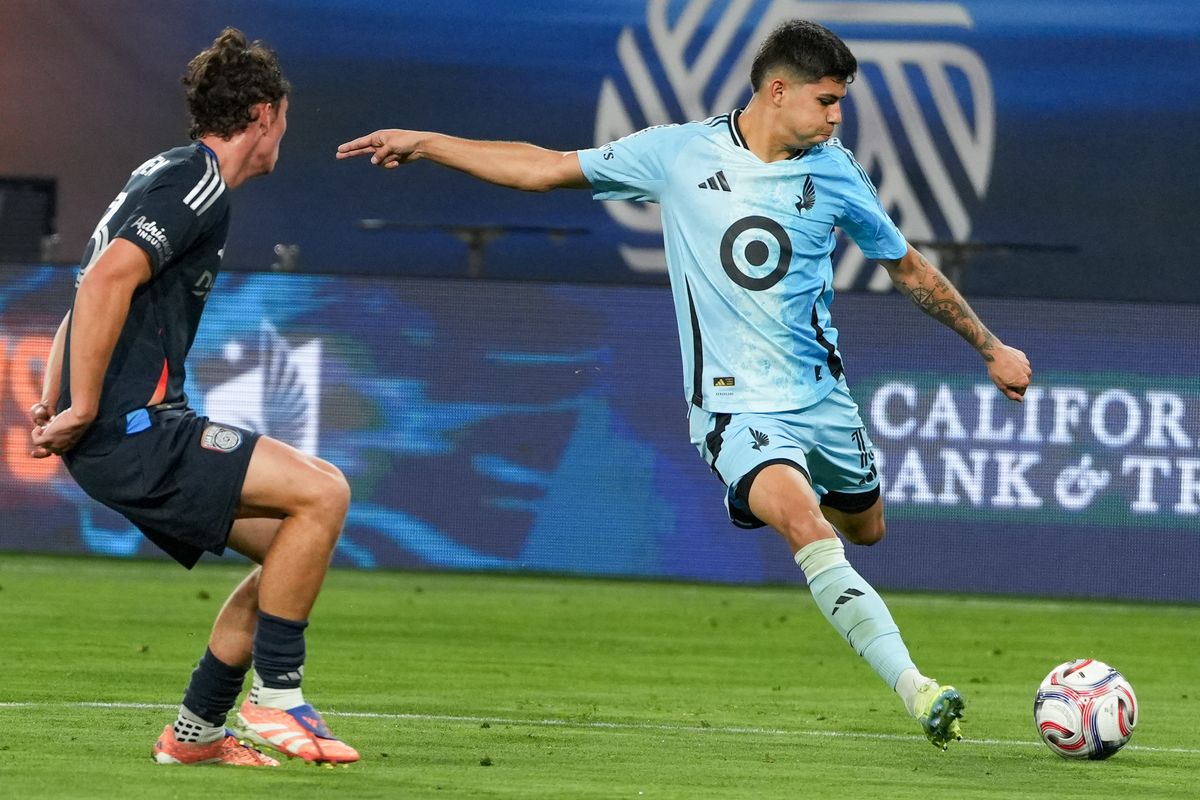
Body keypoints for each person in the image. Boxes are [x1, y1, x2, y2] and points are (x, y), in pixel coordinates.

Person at [337, 19, 1031, 750]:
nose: (836, 117)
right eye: (827, 101)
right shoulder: (677, 153)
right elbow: (541, 167)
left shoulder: (835, 171)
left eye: (841, 104)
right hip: (733, 408)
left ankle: (788, 486)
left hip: (823, 399)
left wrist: (989, 347)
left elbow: (909, 268)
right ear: (777, 90)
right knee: (809, 527)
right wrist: (430, 143)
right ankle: (916, 688)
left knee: (867, 527)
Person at [31, 28, 359, 766]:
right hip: (131, 430)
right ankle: (277, 698)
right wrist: (81, 405)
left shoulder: (165, 169)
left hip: (127, 428)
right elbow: (110, 279)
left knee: (289, 554)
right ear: (266, 115)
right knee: (325, 493)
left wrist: (55, 397)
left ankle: (196, 733)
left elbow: (87, 287)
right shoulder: (197, 180)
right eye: (285, 121)